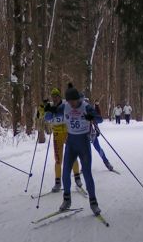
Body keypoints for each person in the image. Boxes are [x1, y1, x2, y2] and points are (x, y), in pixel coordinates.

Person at [44, 86, 103, 215]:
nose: (72, 104)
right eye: (70, 101)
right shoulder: (65, 106)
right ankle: (67, 200)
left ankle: (93, 203)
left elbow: (100, 119)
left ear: (78, 99)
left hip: (83, 143)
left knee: (87, 173)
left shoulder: (85, 106)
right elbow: (48, 118)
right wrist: (48, 110)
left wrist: (91, 117)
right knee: (65, 172)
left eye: (74, 101)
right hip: (71, 142)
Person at [42, 86, 82, 193]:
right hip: (57, 135)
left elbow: (65, 111)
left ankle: (77, 177)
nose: (54, 98)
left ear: (60, 97)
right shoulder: (50, 106)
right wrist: (47, 109)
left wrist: (54, 109)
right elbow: (47, 118)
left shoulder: (65, 104)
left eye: (56, 96)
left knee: (72, 157)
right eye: (53, 96)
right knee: (58, 159)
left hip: (68, 133)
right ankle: (58, 182)